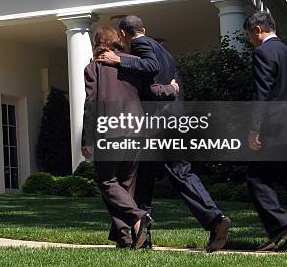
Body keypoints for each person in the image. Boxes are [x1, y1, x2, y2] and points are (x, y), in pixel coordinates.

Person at [96, 15, 231, 252]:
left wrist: (118, 60)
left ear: (125, 34)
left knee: (144, 179)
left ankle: (141, 234)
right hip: (173, 119)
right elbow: (172, 84)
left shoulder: (140, 45)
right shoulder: (166, 52)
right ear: (144, 28)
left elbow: (150, 69)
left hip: (157, 122)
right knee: (171, 174)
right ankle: (211, 220)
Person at [81, 26, 178, 249]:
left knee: (106, 181)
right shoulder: (133, 64)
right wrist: (171, 88)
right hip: (136, 131)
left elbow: (91, 106)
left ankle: (138, 217)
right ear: (117, 40)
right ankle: (124, 238)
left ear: (97, 43)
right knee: (125, 187)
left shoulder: (93, 68)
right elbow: (152, 92)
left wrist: (87, 139)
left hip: (110, 130)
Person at [244, 11, 287, 252]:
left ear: (258, 30)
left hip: (277, 128)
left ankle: (280, 226)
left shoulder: (263, 52)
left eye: (249, 35)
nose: (251, 40)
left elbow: (263, 94)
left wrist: (254, 129)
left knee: (256, 178)